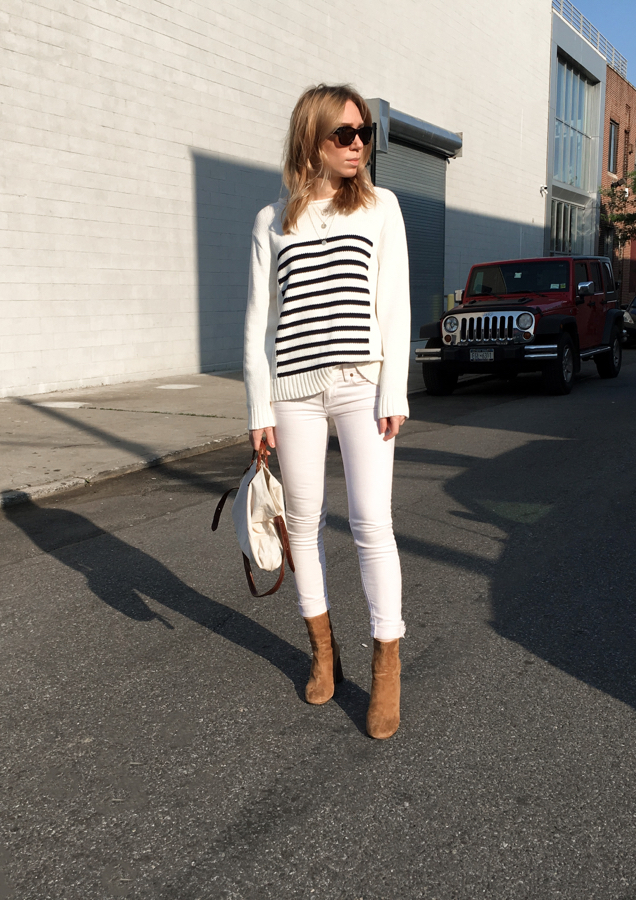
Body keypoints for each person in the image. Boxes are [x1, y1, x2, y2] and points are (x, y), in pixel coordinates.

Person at [242, 84, 410, 740]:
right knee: (303, 524)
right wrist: (258, 404)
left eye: (364, 132)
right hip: (293, 394)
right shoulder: (271, 221)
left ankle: (387, 664)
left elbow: (394, 304)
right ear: (310, 138)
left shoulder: (380, 207)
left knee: (372, 522)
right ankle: (323, 653)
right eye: (345, 134)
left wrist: (394, 386)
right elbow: (260, 323)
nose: (359, 144)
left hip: (362, 387)